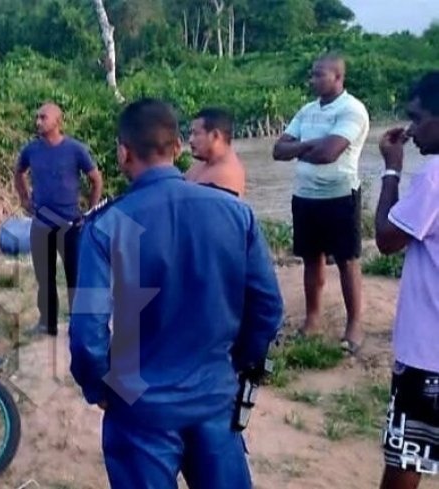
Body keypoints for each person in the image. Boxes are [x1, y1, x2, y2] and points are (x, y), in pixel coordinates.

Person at [69, 99, 284, 489]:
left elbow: (87, 333)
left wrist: (98, 387)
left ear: (123, 152)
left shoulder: (105, 227)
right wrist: (234, 364)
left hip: (139, 409)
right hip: (214, 398)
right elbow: (267, 308)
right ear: (178, 148)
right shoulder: (236, 213)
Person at [272, 53, 370, 355]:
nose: (312, 79)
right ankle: (312, 320)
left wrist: (299, 149)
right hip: (305, 196)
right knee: (311, 259)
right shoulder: (307, 110)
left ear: (338, 77)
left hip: (340, 195)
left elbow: (329, 154)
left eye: (319, 74)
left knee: (347, 260)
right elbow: (278, 150)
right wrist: (309, 145)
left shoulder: (352, 110)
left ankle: (355, 325)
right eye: (312, 74)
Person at [373, 72, 439, 489]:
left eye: (417, 119)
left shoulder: (434, 177)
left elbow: (386, 238)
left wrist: (391, 171)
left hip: (428, 354)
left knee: (405, 461)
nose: (411, 131)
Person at [14, 102, 104, 336]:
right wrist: (24, 199)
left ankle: (78, 323)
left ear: (58, 121)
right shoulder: (31, 150)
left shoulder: (75, 149)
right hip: (42, 223)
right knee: (45, 277)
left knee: (74, 275)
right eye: (37, 117)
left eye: (43, 117)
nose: (38, 122)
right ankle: (47, 323)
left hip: (70, 223)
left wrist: (90, 212)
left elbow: (96, 179)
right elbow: (18, 172)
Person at [185, 107, 246, 197]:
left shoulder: (225, 174)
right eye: (191, 134)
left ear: (215, 135)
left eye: (196, 134)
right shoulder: (206, 163)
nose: (190, 140)